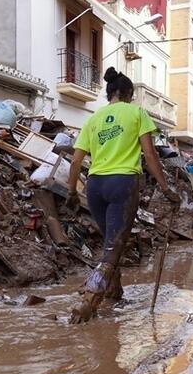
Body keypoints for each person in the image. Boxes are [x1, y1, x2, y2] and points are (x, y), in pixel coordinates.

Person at [67, 67, 180, 323]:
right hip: (123, 183)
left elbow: (75, 162)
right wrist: (165, 188)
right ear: (128, 94)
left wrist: (72, 192)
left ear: (110, 94)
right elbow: (150, 155)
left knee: (111, 241)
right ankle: (88, 300)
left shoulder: (94, 119)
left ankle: (114, 292)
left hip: (94, 186)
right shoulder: (136, 113)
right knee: (112, 248)